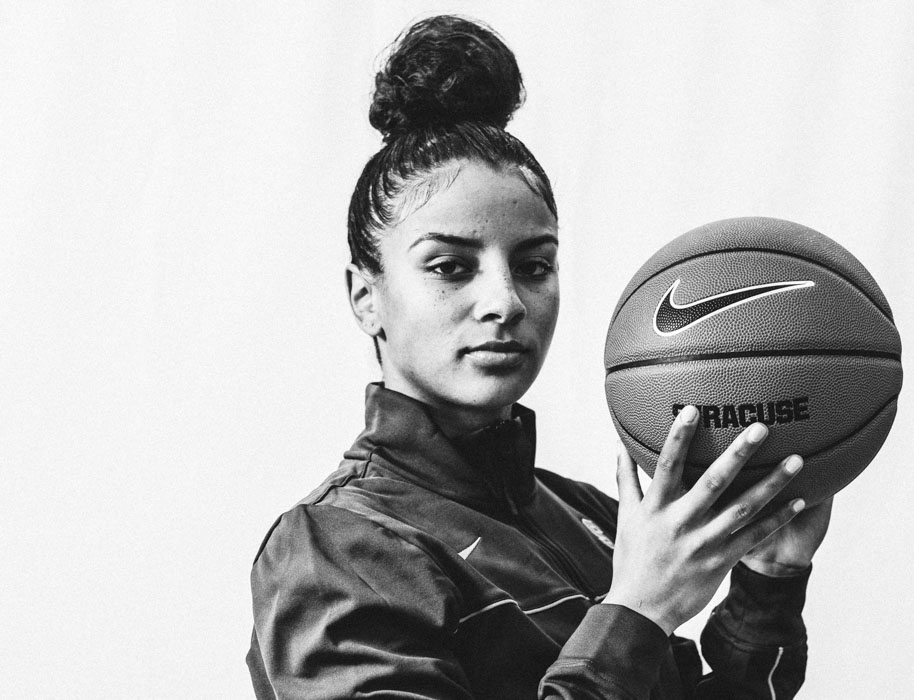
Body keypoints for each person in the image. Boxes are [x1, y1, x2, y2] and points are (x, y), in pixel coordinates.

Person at [248, 15, 833, 699]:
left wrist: (768, 579)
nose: (505, 302)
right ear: (365, 296)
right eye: (449, 267)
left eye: (533, 265)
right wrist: (637, 611)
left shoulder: (585, 513)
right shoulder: (337, 546)